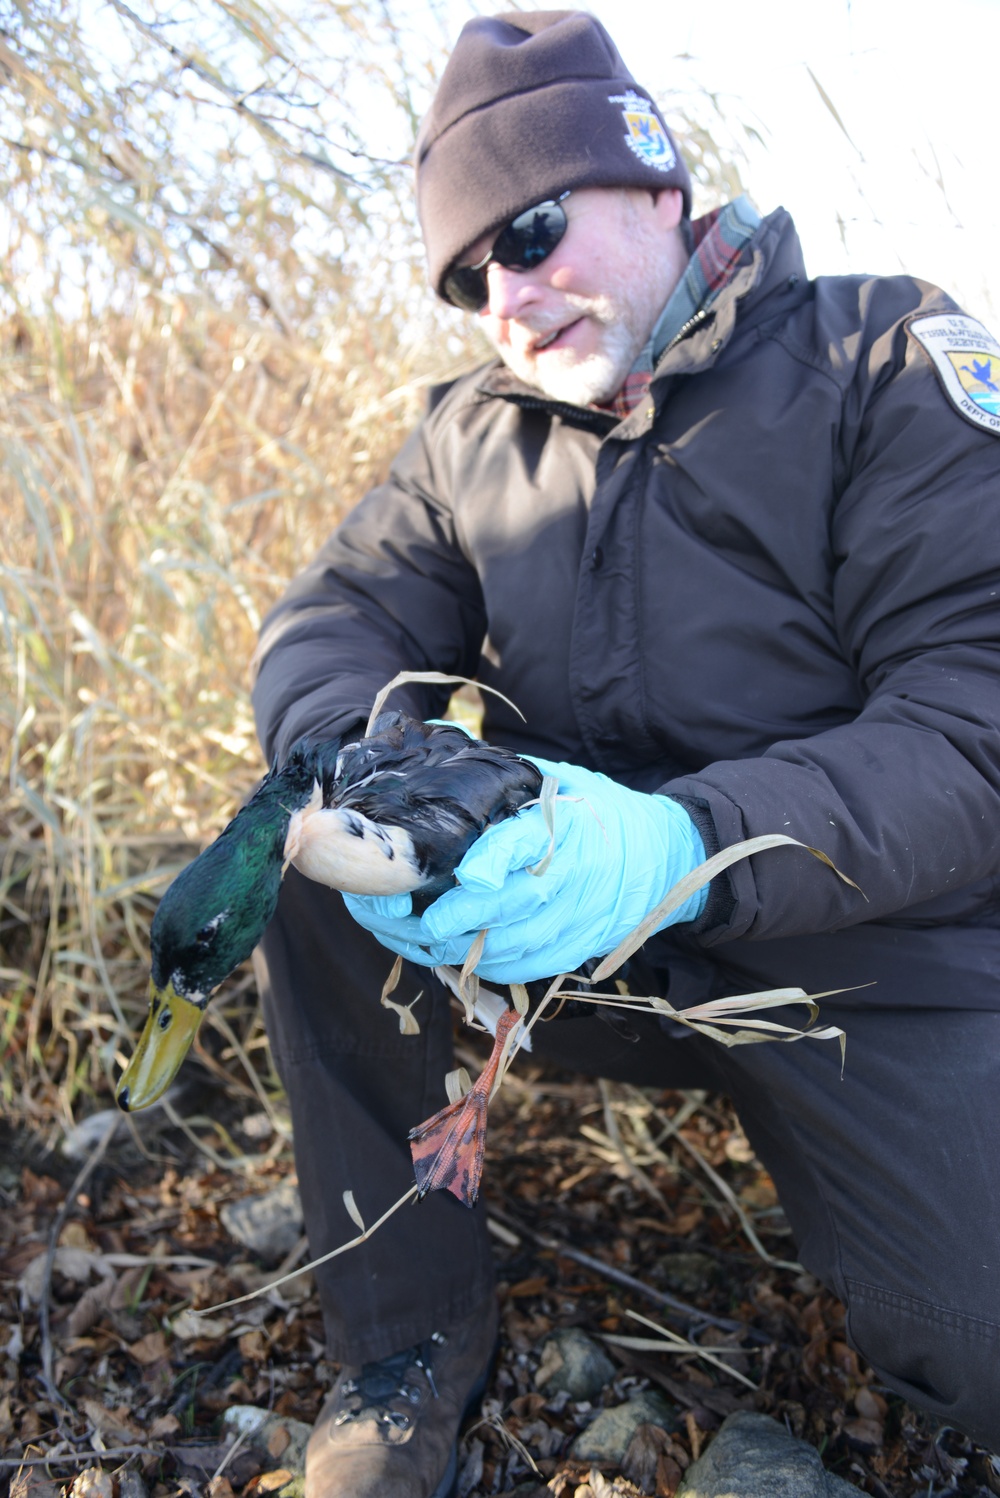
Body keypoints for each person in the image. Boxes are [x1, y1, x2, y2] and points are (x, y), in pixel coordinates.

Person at [249, 11, 1000, 1496]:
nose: (513, 296)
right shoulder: (471, 432)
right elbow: (332, 617)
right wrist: (378, 782)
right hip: (559, 934)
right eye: (472, 275)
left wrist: (683, 848)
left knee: (973, 1329)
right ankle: (407, 1337)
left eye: (533, 230)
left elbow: (972, 723)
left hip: (860, 948)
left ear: (656, 185)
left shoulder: (881, 359)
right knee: (296, 854)